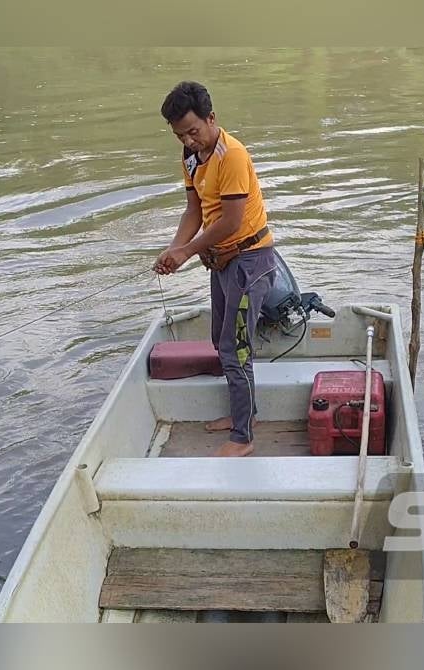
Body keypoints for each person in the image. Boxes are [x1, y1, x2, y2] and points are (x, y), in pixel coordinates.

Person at [153, 81, 276, 457]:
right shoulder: (192, 159)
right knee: (220, 340)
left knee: (235, 348)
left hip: (249, 261)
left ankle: (243, 438)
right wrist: (174, 250)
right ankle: (246, 414)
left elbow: (232, 222)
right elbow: (195, 211)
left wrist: (187, 252)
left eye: (194, 131)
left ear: (211, 118)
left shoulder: (232, 155)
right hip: (220, 260)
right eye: (180, 136)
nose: (189, 141)